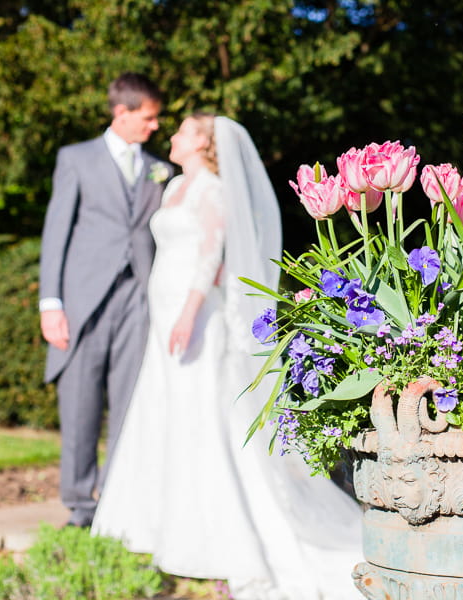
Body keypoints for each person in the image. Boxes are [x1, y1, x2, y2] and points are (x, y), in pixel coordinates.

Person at [92, 113, 363, 599]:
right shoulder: (174, 186)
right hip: (165, 315)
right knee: (165, 411)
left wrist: (189, 312)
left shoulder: (213, 190)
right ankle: (156, 524)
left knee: (204, 415)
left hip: (194, 318)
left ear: (203, 142)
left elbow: (210, 255)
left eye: (182, 131)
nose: (172, 136)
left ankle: (215, 533)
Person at [38, 73, 171, 528]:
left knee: (130, 401)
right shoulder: (75, 159)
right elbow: (56, 232)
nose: (155, 127)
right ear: (123, 113)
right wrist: (50, 303)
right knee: (79, 402)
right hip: (82, 300)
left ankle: (116, 502)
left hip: (140, 297)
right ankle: (79, 505)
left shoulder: (160, 169)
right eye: (148, 118)